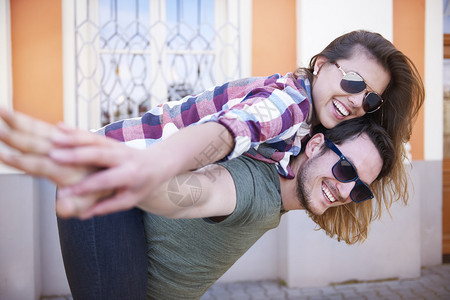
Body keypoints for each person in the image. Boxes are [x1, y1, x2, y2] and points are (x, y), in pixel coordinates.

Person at [0, 29, 423, 298]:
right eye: (353, 82)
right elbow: (229, 132)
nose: (355, 101)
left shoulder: (300, 137)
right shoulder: (290, 103)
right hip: (108, 171)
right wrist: (151, 168)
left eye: (369, 98)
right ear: (321, 65)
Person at [0, 116, 395, 299]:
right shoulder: (257, 193)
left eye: (360, 189)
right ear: (314, 145)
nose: (346, 190)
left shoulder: (271, 157)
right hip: (105, 206)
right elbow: (201, 191)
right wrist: (112, 169)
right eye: (346, 169)